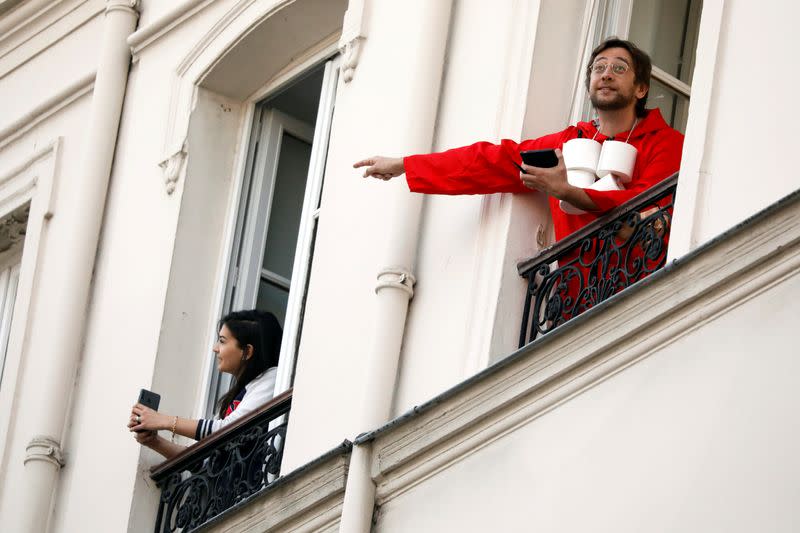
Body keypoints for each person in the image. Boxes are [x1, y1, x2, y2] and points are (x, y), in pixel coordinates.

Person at [353, 38, 684, 243]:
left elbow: (648, 215)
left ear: (641, 88)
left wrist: (569, 192)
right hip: (574, 299)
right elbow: (490, 161)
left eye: (619, 68)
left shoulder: (668, 143)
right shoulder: (569, 143)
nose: (606, 74)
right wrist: (406, 165)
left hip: (637, 288)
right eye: (599, 68)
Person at [128, 309, 282, 459]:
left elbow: (229, 430)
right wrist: (154, 441)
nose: (215, 348)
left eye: (222, 341)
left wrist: (164, 421)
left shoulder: (273, 377)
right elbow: (205, 459)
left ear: (247, 352)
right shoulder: (240, 393)